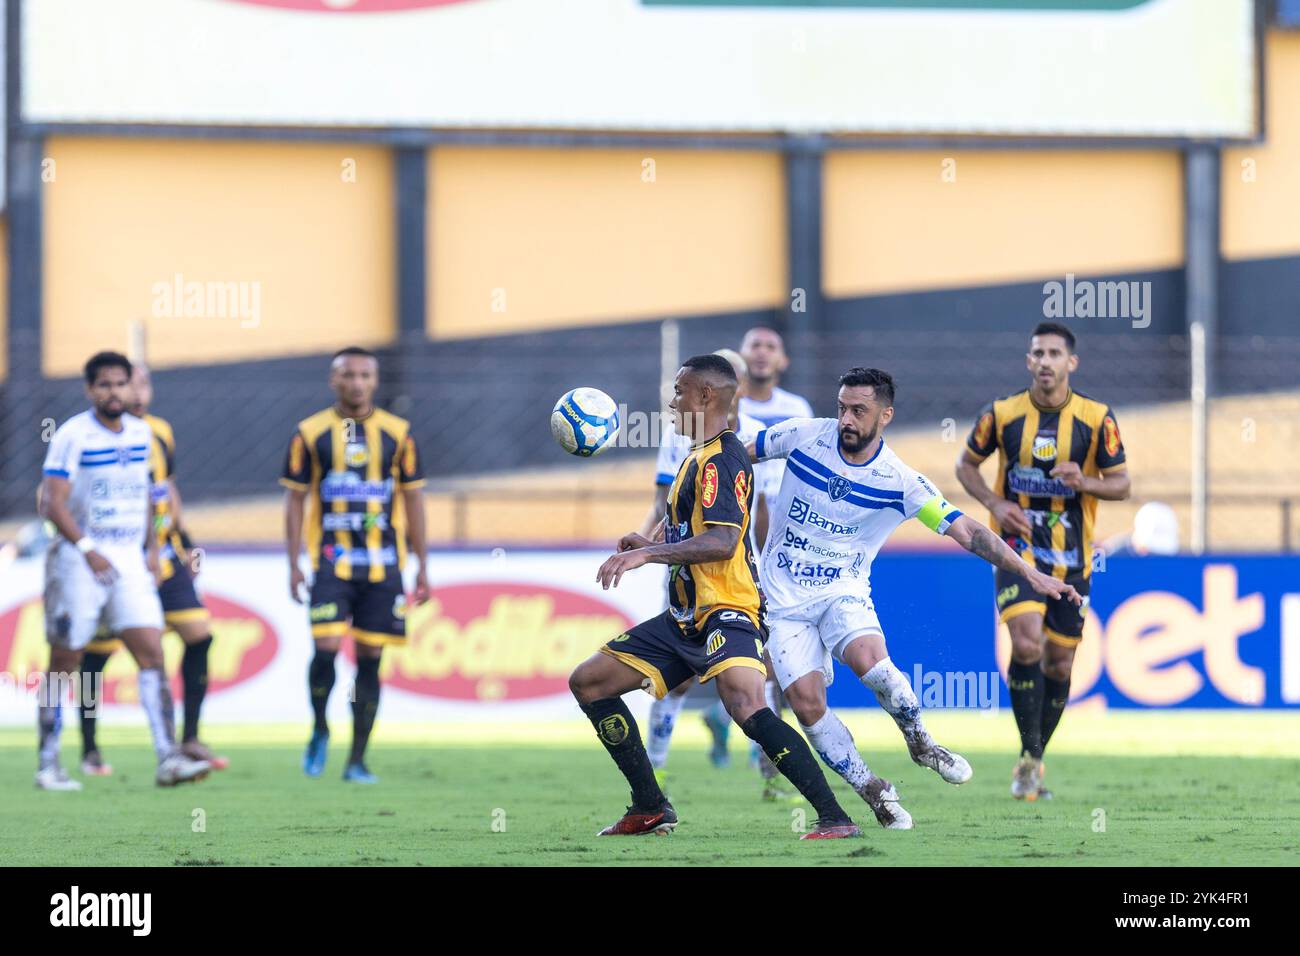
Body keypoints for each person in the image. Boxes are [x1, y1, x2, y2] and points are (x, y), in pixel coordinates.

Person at [748, 366, 1080, 827]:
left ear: (885, 415)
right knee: (807, 707)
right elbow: (733, 458)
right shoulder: (803, 436)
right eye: (842, 407)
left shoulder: (899, 481)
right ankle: (874, 791)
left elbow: (967, 531)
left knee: (878, 670)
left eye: (858, 411)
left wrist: (1032, 574)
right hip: (782, 604)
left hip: (841, 594)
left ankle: (922, 742)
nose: (846, 419)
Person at [569, 354, 862, 839]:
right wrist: (650, 544)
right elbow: (696, 532)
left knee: (746, 704)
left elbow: (724, 540)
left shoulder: (722, 459)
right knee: (590, 682)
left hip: (727, 609)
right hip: (686, 615)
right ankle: (649, 805)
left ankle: (835, 817)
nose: (672, 400)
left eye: (680, 390)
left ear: (706, 396)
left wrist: (648, 557)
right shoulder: (695, 456)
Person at [955, 322, 1129, 800]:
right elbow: (964, 465)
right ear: (1028, 361)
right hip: (1017, 550)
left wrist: (1085, 483)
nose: (1046, 361)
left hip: (1073, 558)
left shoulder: (1097, 418)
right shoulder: (1002, 413)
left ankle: (1032, 759)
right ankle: (1028, 757)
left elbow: (1122, 484)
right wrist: (995, 504)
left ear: (1071, 362)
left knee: (1059, 662)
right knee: (1027, 643)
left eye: (1055, 353)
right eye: (1038, 353)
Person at [37, 351, 211, 789]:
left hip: (131, 559)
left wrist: (154, 548)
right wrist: (88, 548)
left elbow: (154, 498)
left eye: (121, 384)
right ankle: (49, 762)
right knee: (66, 657)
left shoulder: (142, 434)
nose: (114, 393)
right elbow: (50, 502)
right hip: (79, 559)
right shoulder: (72, 435)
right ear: (90, 390)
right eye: (105, 385)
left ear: (132, 387)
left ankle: (167, 757)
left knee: (152, 652)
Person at [639, 350, 795, 802]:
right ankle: (658, 768)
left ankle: (770, 772)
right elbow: (666, 503)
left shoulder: (752, 442)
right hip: (691, 571)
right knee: (680, 675)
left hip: (748, 571)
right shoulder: (683, 435)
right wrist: (649, 547)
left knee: (768, 672)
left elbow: (764, 506)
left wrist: (769, 563)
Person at [281, 347, 431, 783]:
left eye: (365, 375)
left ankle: (357, 759)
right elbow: (295, 500)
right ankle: (320, 727)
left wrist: (422, 564)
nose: (357, 383)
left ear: (375, 381)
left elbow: (413, 499)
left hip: (385, 567)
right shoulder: (310, 433)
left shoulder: (398, 433)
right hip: (331, 563)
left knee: (370, 658)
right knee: (325, 649)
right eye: (348, 375)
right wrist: (293, 564)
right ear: (334, 380)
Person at [77, 363, 228, 776]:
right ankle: (89, 748)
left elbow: (166, 490)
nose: (137, 392)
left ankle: (189, 737)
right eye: (129, 384)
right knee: (95, 658)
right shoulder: (83, 436)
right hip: (116, 560)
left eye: (143, 383)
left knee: (199, 637)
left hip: (164, 556)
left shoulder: (158, 431)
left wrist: (185, 542)